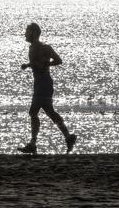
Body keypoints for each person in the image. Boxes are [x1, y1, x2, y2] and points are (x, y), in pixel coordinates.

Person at [17, 23, 77, 155]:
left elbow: (58, 60)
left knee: (33, 112)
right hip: (40, 84)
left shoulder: (45, 47)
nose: (25, 34)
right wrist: (28, 65)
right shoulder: (32, 47)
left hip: (44, 84)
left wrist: (46, 63)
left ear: (34, 33)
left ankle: (33, 143)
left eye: (27, 31)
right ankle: (68, 137)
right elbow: (36, 62)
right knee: (50, 112)